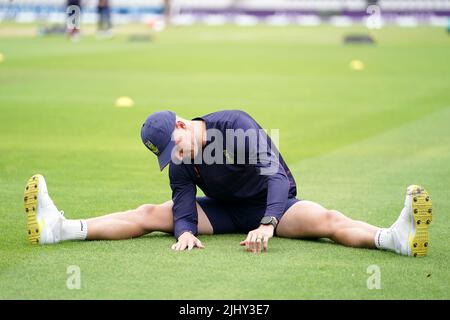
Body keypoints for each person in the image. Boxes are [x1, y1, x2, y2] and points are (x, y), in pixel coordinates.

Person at [23, 110, 433, 256]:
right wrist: (184, 231)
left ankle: (392, 238)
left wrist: (269, 223)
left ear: (183, 125)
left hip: (273, 205)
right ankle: (62, 230)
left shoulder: (234, 126)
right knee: (150, 214)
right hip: (224, 212)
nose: (176, 157)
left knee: (327, 220)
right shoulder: (178, 158)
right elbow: (182, 197)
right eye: (167, 155)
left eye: (176, 146)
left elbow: (275, 175)